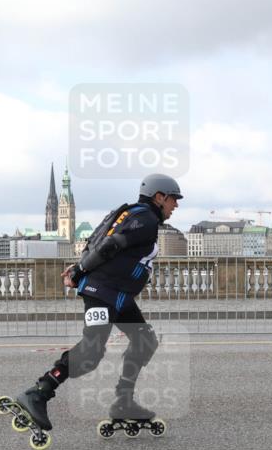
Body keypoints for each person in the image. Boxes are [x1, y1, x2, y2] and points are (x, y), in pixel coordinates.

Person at [14, 173, 182, 431]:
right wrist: (80, 271)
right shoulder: (145, 219)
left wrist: (80, 267)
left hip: (118, 296)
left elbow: (97, 241)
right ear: (159, 197)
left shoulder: (130, 213)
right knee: (91, 352)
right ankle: (39, 392)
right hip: (103, 292)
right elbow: (109, 245)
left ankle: (124, 402)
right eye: (173, 199)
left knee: (145, 339)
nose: (176, 205)